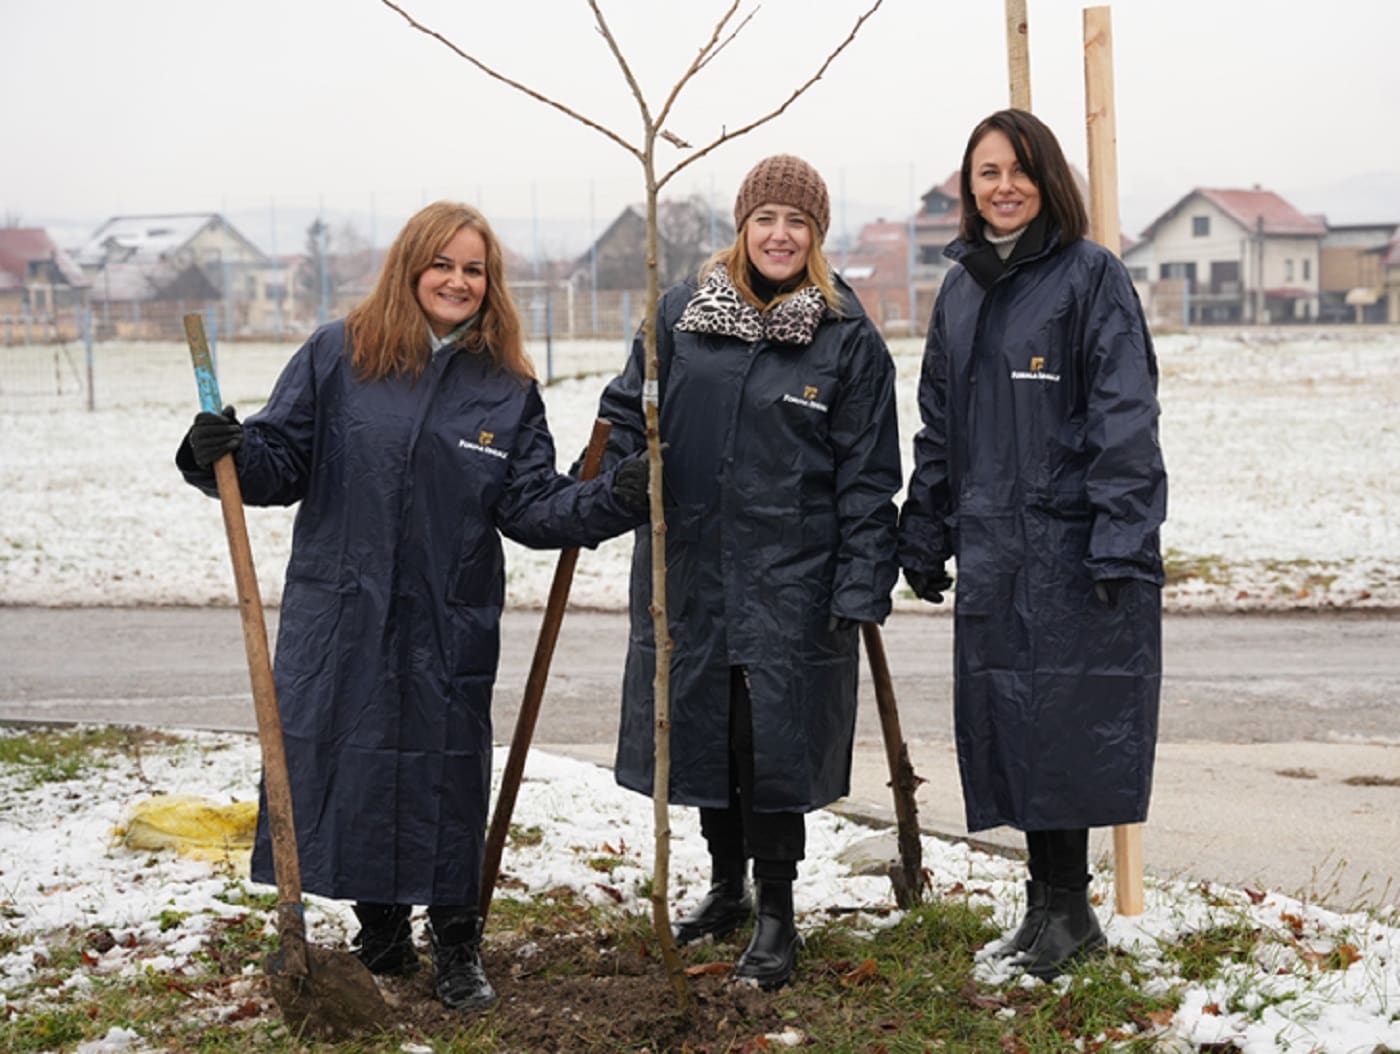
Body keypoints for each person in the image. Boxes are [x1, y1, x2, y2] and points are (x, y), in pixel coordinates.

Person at [175, 201, 649, 1012]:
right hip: (344, 608)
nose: (458, 281)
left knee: (446, 774)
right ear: (411, 267)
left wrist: (614, 499)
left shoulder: (505, 389)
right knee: (353, 761)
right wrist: (219, 450)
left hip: (447, 616)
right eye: (444, 264)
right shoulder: (339, 354)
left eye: (474, 270)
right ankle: (381, 929)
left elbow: (533, 505)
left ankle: (458, 941)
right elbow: (279, 460)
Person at [589, 155, 902, 990]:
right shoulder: (680, 318)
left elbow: (870, 477)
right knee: (703, 736)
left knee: (771, 749)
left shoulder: (846, 338)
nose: (779, 234)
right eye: (766, 218)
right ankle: (724, 888)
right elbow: (630, 413)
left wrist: (863, 579)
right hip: (691, 572)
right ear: (742, 227)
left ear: (817, 236)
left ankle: (776, 913)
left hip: (792, 583)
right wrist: (618, 480)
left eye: (797, 222)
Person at [898, 109, 1167, 980]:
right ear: (968, 189)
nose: (1002, 186)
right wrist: (925, 526)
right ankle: (1044, 906)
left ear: (1047, 178)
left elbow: (1124, 417)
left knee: (1068, 726)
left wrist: (1121, 540)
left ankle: (1071, 910)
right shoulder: (963, 289)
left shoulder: (1092, 279)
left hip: (1072, 544)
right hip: (993, 548)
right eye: (986, 173)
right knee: (1014, 722)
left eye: (1017, 169)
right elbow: (940, 423)